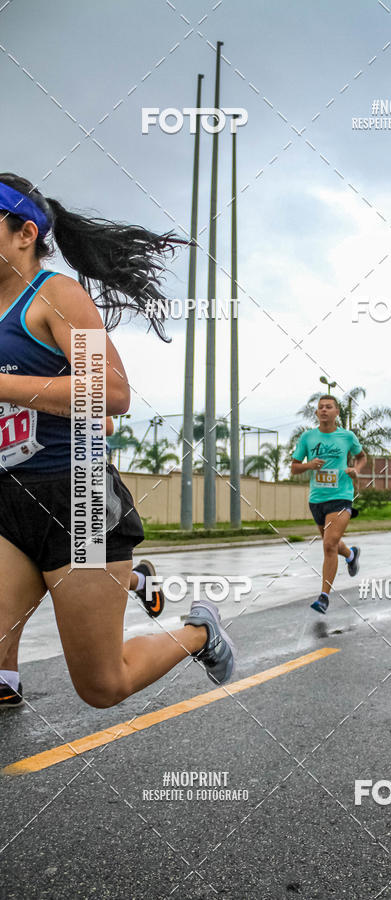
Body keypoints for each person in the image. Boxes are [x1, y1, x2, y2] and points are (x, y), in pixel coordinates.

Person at [0, 173, 235, 713]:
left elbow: (111, 389)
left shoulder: (54, 295)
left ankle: (200, 634)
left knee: (102, 686)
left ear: (24, 233)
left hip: (77, 498)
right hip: (9, 501)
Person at [291, 395, 367, 613]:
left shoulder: (347, 436)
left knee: (328, 544)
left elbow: (362, 457)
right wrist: (309, 465)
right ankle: (351, 554)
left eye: (329, 407)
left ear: (336, 412)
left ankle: (324, 597)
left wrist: (356, 470)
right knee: (331, 542)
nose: (324, 410)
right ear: (317, 413)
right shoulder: (308, 438)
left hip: (341, 495)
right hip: (317, 499)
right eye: (320, 407)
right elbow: (294, 467)